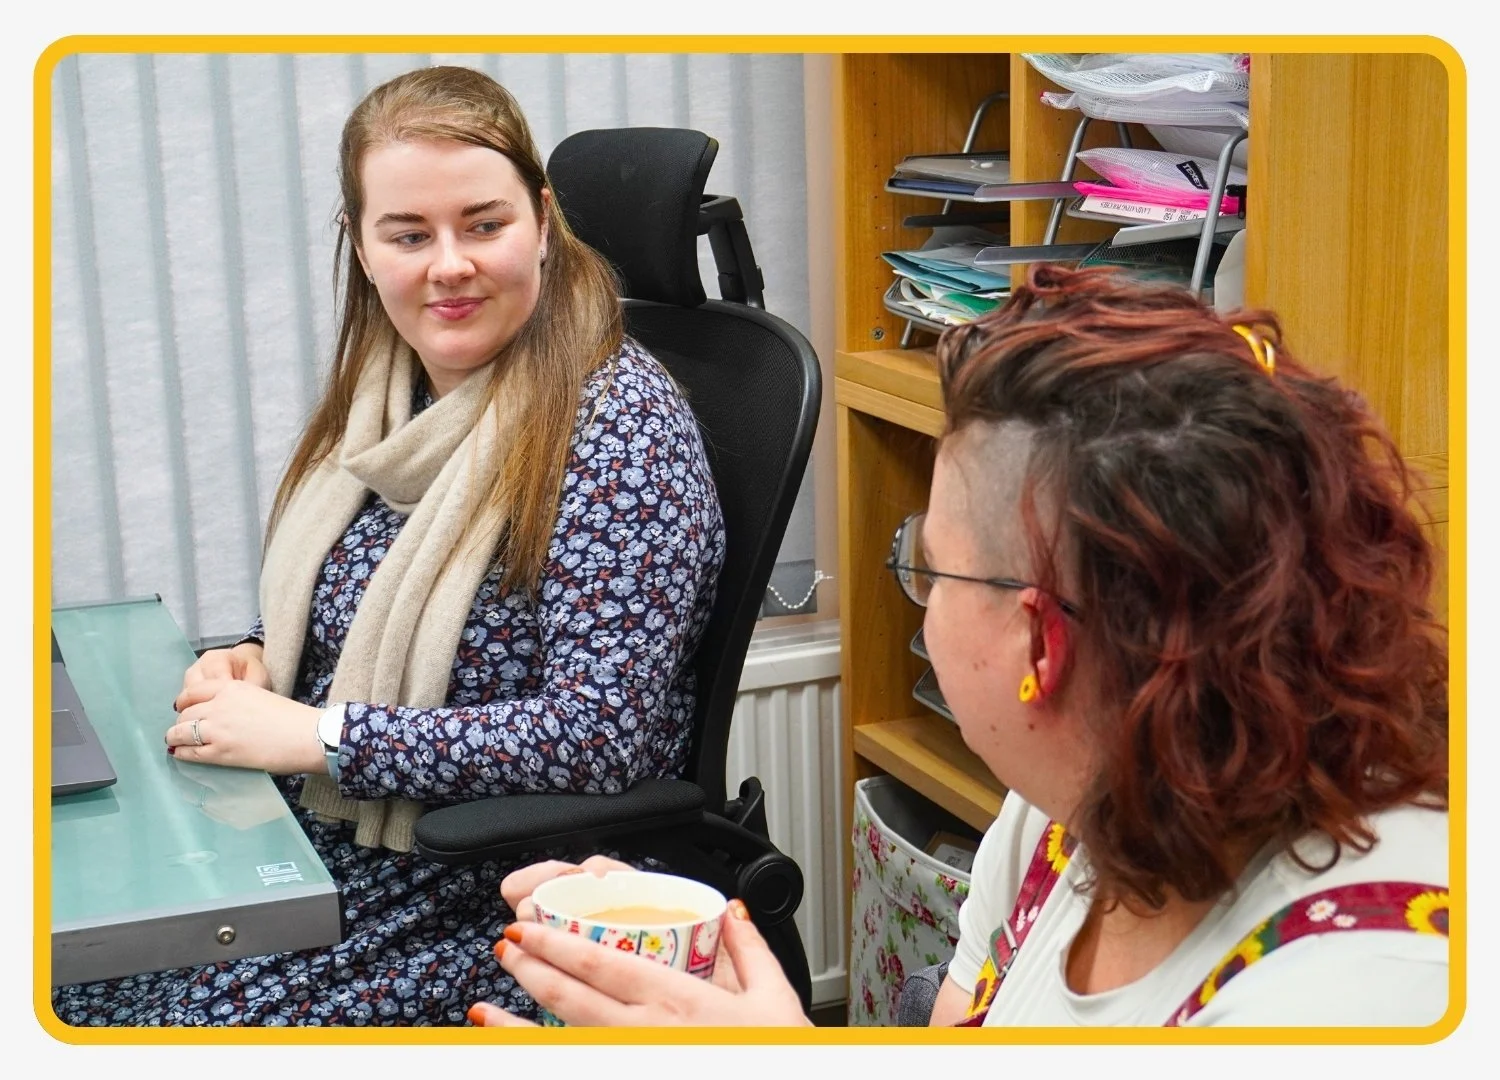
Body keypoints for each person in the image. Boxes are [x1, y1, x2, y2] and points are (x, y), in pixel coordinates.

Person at [469, 264, 1450, 1028]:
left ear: (1039, 638)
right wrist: (708, 981)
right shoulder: (1059, 819)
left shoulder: (1364, 995)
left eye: (930, 567)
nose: (921, 603)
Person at [51, 65, 725, 1027]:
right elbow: (364, 592)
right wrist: (257, 654)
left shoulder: (619, 429)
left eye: (484, 224)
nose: (447, 264)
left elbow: (600, 740)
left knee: (117, 1009)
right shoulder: (400, 388)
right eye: (408, 235)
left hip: (499, 878)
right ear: (362, 248)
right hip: (359, 831)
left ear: (542, 219)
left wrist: (318, 734)